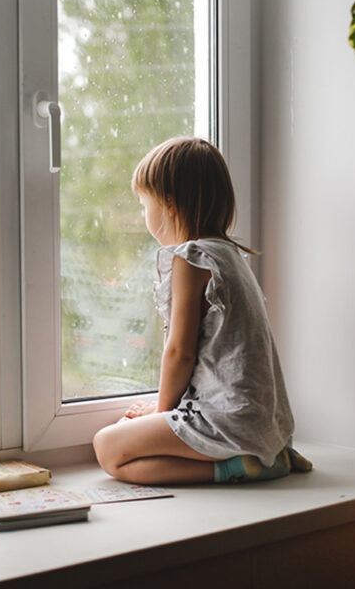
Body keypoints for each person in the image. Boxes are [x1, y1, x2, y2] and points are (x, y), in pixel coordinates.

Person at [92, 137, 311, 485]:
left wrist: (162, 413)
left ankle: (237, 467)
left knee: (107, 448)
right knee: (127, 433)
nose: (143, 213)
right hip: (265, 422)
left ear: (169, 203)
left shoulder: (190, 259)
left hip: (228, 421)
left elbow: (180, 352)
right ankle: (263, 455)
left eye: (143, 203)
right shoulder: (229, 256)